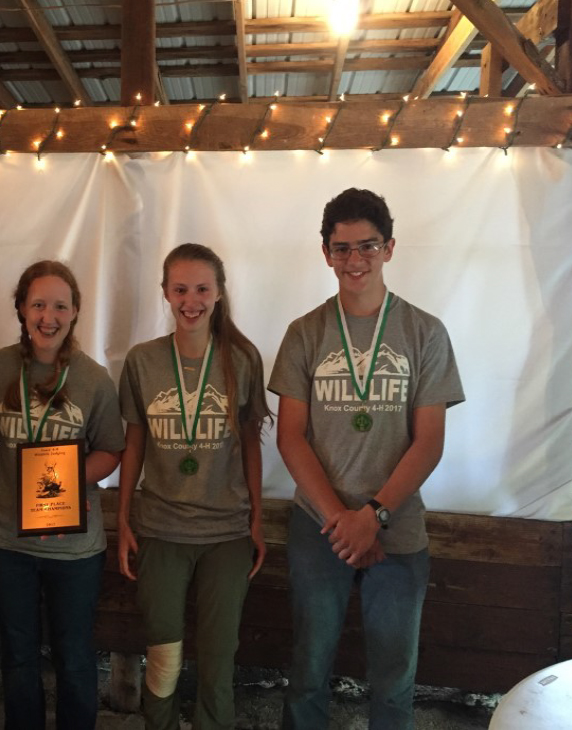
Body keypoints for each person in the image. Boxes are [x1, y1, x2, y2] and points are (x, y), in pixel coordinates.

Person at [268, 188, 465, 729]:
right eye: (342, 248)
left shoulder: (424, 332)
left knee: (394, 679)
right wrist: (343, 522)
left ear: (390, 248)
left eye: (367, 246)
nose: (355, 260)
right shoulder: (304, 333)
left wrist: (373, 516)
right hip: (319, 526)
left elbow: (429, 442)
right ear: (326, 253)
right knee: (308, 669)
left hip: (397, 529)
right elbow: (291, 437)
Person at [117, 243, 272, 730]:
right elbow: (134, 442)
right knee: (163, 657)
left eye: (202, 289)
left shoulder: (242, 359)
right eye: (180, 289)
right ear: (165, 292)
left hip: (225, 534)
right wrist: (123, 520)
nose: (191, 300)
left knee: (218, 659)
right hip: (160, 530)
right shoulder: (142, 361)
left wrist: (257, 520)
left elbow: (251, 443)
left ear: (219, 294)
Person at [0, 260, 125, 730]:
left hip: (75, 549)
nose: (49, 316)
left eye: (60, 305)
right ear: (21, 308)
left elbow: (111, 450)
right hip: (6, 541)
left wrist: (64, 482)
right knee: (18, 657)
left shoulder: (94, 379)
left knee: (75, 657)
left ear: (75, 311)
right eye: (38, 304)